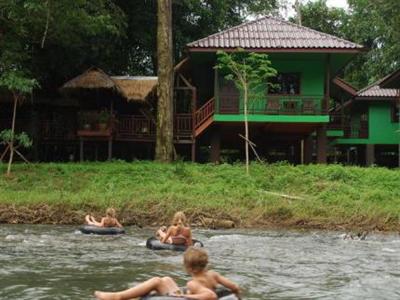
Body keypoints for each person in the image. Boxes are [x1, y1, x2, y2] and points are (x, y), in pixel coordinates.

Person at [94, 247, 240, 300]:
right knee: (167, 279)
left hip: (187, 298)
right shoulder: (213, 274)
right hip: (194, 293)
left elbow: (211, 296)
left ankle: (118, 296)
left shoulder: (193, 283)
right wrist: (235, 296)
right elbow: (234, 287)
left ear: (188, 268)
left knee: (157, 281)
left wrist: (185, 295)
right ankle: (127, 295)